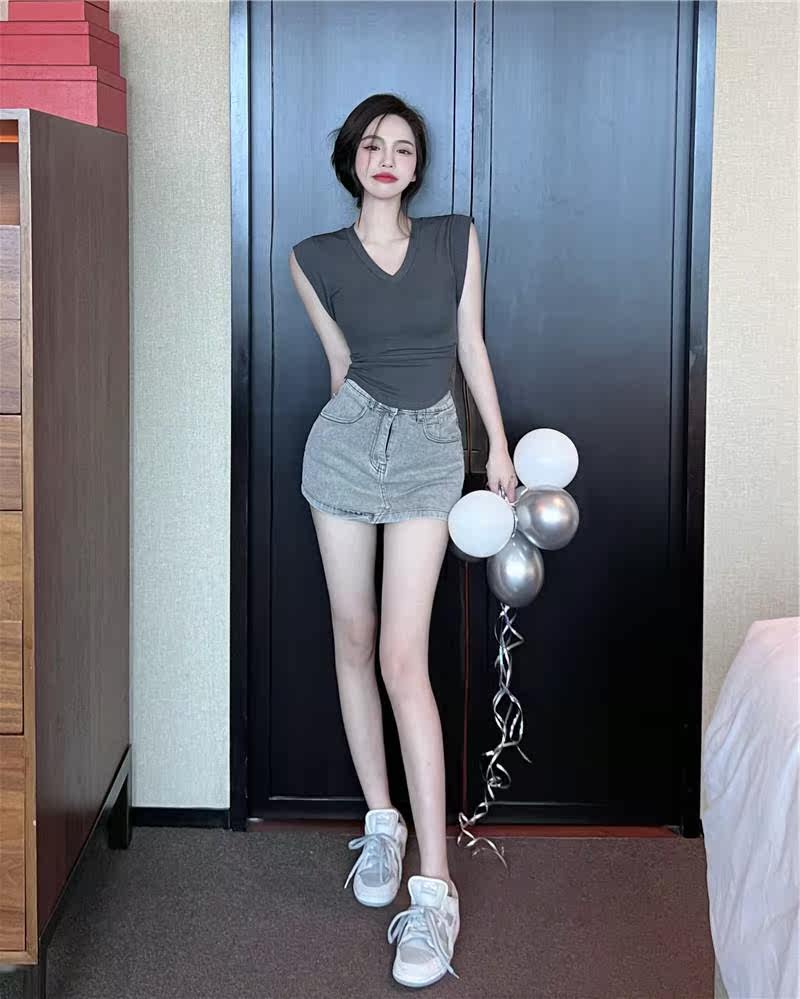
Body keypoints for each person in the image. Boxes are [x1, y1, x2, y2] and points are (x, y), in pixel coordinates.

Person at [289, 93, 517, 989]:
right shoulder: (312, 258)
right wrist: (352, 441)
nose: (387, 157)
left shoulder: (456, 239)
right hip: (346, 448)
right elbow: (341, 368)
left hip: (429, 450)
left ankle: (434, 888)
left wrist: (497, 447)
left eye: (404, 148)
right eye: (373, 145)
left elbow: (471, 346)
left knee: (400, 658)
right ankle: (380, 821)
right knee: (352, 639)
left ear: (418, 167)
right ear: (352, 158)